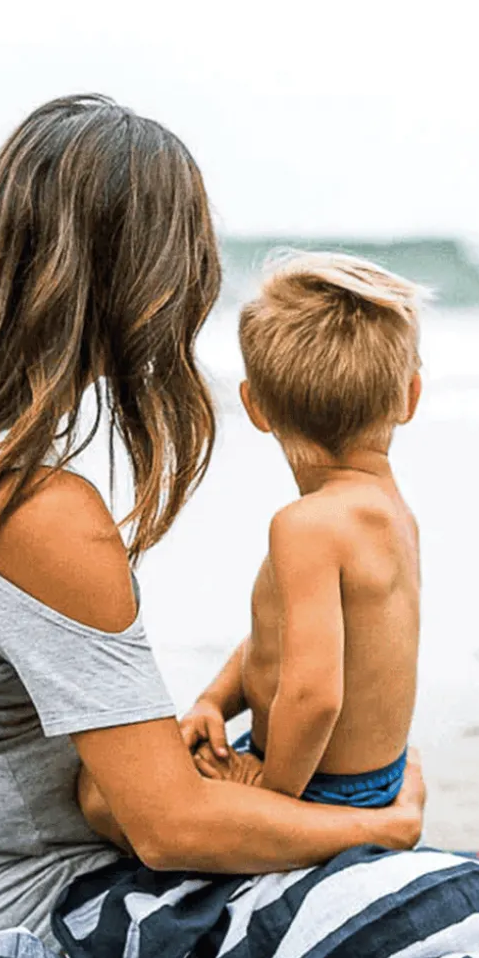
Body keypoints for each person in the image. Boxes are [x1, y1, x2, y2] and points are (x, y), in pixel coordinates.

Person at [0, 94, 424, 958]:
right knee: (446, 909)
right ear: (146, 280)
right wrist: (385, 828)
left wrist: (191, 738)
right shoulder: (32, 509)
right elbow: (169, 831)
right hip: (18, 923)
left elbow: (135, 795)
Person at [180, 253, 423, 809]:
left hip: (314, 786)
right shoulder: (390, 509)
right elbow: (283, 639)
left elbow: (313, 695)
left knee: (105, 798)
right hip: (367, 774)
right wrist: (212, 702)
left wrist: (271, 796)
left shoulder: (305, 527)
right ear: (410, 396)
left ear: (255, 406)